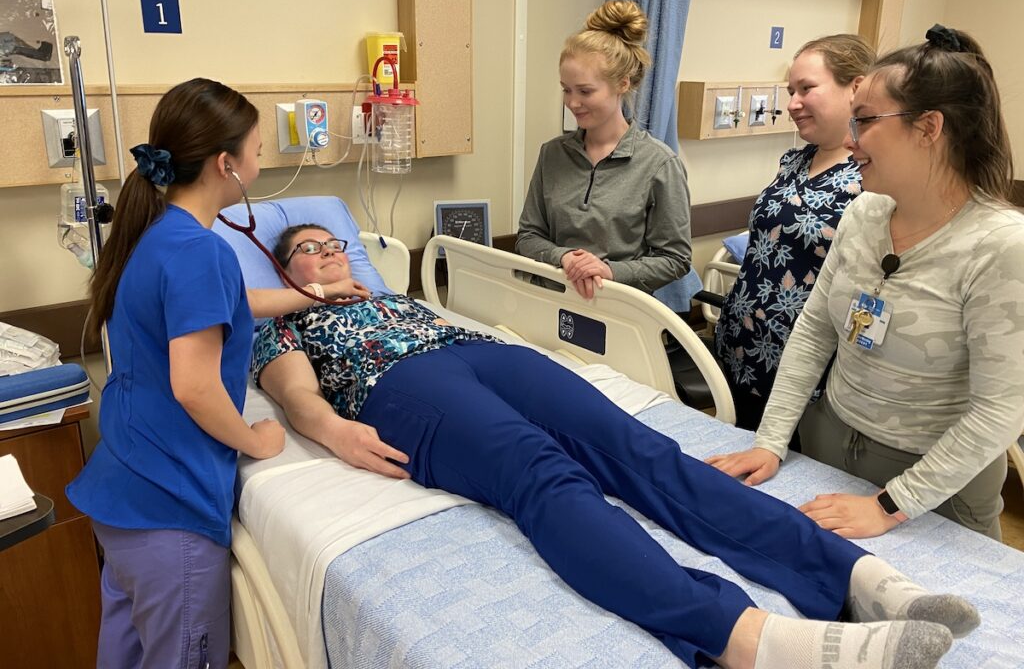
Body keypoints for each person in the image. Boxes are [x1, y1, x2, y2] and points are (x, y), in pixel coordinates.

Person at [252, 222, 979, 669]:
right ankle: (748, 639)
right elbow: (296, 398)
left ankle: (853, 578)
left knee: (640, 448)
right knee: (541, 474)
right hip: (399, 384)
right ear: (286, 272)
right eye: (307, 250)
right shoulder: (280, 320)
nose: (327, 255)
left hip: (476, 350)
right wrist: (335, 432)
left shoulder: (393, 296)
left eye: (333, 244)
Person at [708, 25, 1024, 542]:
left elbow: (999, 411)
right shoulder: (864, 213)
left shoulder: (1001, 246)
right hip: (830, 444)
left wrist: (889, 505)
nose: (851, 140)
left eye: (866, 121)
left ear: (928, 128)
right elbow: (814, 332)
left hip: (933, 486)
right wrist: (770, 441)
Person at [66, 79, 294, 669]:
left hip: (122, 494)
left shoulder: (157, 235)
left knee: (126, 653)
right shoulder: (200, 251)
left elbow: (225, 303)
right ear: (228, 165)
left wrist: (311, 294)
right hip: (170, 515)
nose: (261, 160)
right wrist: (255, 439)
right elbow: (194, 386)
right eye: (259, 150)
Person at [714, 34, 872, 432]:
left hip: (804, 370)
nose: (793, 103)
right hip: (740, 350)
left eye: (807, 88)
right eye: (790, 91)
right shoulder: (795, 161)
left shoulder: (870, 175)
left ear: (855, 87)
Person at [516, 0, 691, 302]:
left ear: (622, 84)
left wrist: (608, 271)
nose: (572, 103)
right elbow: (528, 237)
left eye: (585, 91)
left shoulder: (659, 164)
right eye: (566, 90)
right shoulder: (552, 155)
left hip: (619, 310)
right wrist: (565, 257)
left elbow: (675, 259)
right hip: (552, 303)